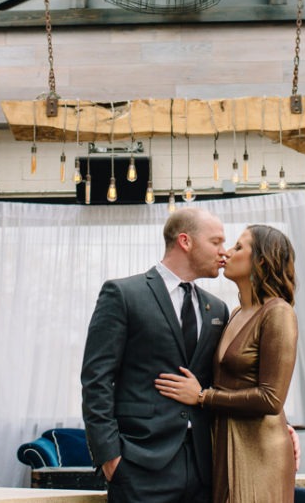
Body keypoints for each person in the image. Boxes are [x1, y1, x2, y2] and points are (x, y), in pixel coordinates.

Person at [81, 207, 231, 503]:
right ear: (186, 242)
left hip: (203, 467)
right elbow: (96, 379)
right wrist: (110, 457)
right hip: (139, 464)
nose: (224, 252)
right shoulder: (124, 294)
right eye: (216, 242)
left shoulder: (217, 308)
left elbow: (228, 381)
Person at [155, 224, 299, 503]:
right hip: (223, 444)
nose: (227, 253)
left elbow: (271, 399)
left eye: (238, 247)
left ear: (260, 259)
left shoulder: (278, 312)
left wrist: (201, 397)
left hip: (259, 452)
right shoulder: (233, 313)